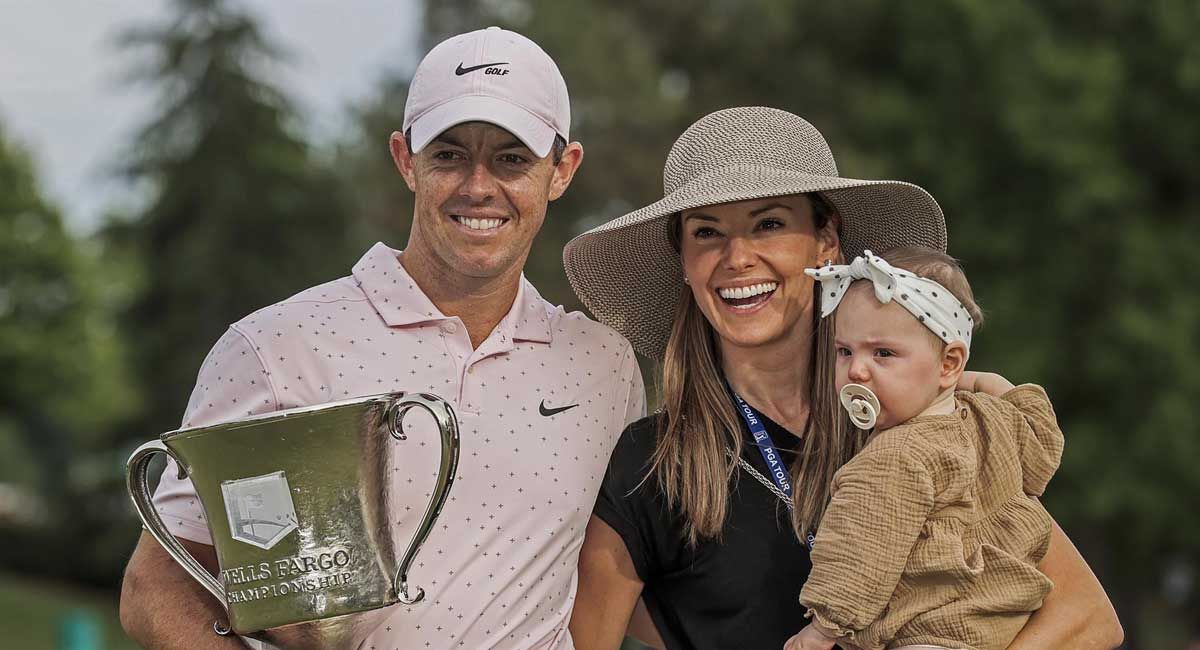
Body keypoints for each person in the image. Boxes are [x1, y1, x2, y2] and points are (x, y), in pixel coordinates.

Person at [119, 27, 645, 650]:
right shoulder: (274, 346)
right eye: (449, 155)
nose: (479, 186)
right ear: (405, 160)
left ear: (562, 170)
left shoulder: (603, 365)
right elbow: (157, 583)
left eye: (512, 158)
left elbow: (611, 579)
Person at [562, 107, 1123, 650]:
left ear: (827, 241)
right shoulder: (649, 464)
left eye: (770, 224)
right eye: (707, 233)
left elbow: (1088, 620)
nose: (737, 258)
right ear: (684, 261)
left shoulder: (925, 418)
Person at [785, 248, 1065, 650]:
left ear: (950, 363)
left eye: (883, 353)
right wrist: (984, 381)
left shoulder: (893, 455)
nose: (856, 370)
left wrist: (823, 628)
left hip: (926, 635)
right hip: (1000, 628)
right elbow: (1043, 451)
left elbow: (860, 549)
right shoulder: (992, 420)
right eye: (845, 351)